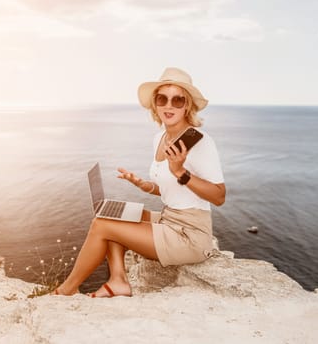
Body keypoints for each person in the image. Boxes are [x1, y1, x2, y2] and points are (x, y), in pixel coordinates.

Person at [53, 67, 226, 297]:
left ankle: (65, 291)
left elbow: (219, 196)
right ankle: (118, 280)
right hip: (169, 218)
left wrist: (180, 171)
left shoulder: (201, 143)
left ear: (187, 106)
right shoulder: (160, 138)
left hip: (191, 235)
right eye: (162, 98)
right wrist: (145, 186)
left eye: (178, 100)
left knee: (101, 226)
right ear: (155, 104)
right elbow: (172, 190)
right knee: (109, 214)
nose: (169, 105)